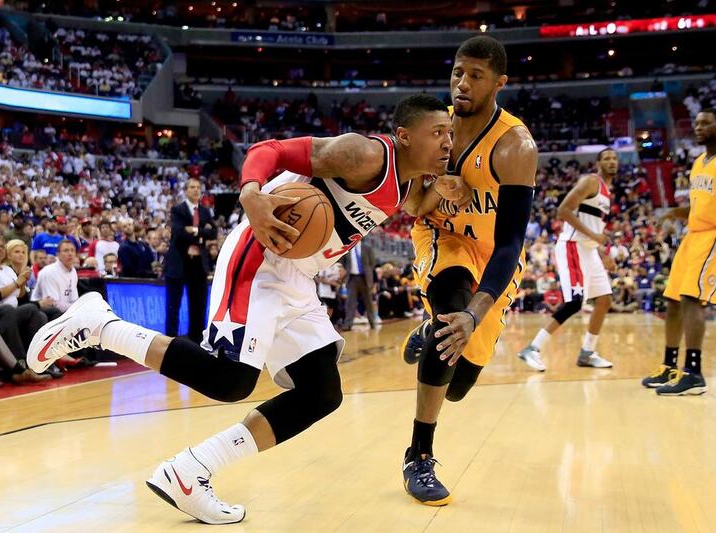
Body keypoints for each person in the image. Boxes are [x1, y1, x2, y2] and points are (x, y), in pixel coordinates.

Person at [27, 94, 457, 525]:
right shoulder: (363, 154)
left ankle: (190, 471)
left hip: (297, 276)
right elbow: (266, 151)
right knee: (231, 380)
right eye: (438, 133)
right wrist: (251, 195)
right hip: (261, 255)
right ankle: (101, 326)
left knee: (321, 393)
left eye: (450, 134)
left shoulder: (408, 180)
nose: (447, 142)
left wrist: (444, 188)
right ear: (403, 136)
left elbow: (413, 204)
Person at [398, 36, 536, 506]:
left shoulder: (515, 145)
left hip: (494, 254)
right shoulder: (437, 129)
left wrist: (477, 314)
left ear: (499, 82)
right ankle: (419, 454)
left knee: (457, 386)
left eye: (475, 75)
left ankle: (436, 326)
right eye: (458, 71)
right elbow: (414, 206)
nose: (462, 82)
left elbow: (511, 243)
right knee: (448, 321)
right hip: (442, 238)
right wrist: (441, 190)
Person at [642, 109, 716, 395]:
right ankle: (670, 366)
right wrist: (673, 213)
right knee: (673, 300)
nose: (699, 127)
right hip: (694, 236)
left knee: (692, 299)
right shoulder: (699, 162)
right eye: (697, 123)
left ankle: (694, 372)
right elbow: (698, 208)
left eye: (706, 123)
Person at [516, 149, 619, 372]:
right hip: (572, 246)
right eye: (607, 158)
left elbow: (595, 229)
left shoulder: (607, 193)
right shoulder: (591, 182)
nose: (612, 162)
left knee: (604, 300)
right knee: (574, 302)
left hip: (589, 251)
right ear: (598, 163)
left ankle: (587, 353)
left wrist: (602, 252)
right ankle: (532, 349)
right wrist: (595, 238)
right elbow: (563, 211)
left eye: (615, 158)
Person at [164, 179, 216, 342]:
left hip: (198, 264)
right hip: (179, 263)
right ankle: (170, 342)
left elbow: (213, 232)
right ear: (186, 191)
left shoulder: (205, 211)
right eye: (192, 187)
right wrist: (201, 232)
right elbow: (179, 233)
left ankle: (197, 342)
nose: (196, 190)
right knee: (173, 306)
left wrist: (193, 230)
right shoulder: (177, 210)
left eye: (198, 188)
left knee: (199, 306)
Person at [338, 239, 378, 330]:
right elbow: (343, 262)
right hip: (352, 278)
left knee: (369, 302)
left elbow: (372, 263)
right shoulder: (347, 248)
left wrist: (368, 273)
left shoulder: (367, 247)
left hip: (365, 278)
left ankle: (372, 322)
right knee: (350, 303)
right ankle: (348, 324)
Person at [31, 240, 79, 316]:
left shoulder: (73, 271)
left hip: (66, 311)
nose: (70, 253)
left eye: (72, 250)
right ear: (58, 254)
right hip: (42, 313)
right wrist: (77, 309)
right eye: (66, 250)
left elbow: (74, 299)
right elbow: (53, 304)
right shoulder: (48, 272)